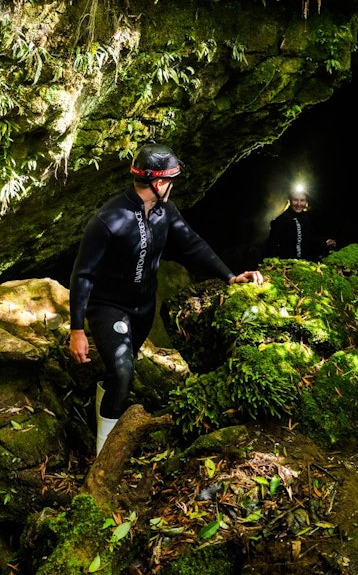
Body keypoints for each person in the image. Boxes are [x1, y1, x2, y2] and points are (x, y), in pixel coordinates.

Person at [68, 143, 263, 455]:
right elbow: (83, 274)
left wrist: (230, 276)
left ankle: (103, 402)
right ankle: (104, 453)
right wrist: (77, 330)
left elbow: (193, 244)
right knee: (123, 371)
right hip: (109, 307)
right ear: (159, 184)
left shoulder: (165, 212)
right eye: (171, 181)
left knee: (119, 373)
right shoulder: (108, 219)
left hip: (144, 308)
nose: (172, 187)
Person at [262, 184, 336, 261]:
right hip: (287, 266)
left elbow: (309, 239)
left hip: (305, 265)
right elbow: (271, 248)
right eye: (295, 200)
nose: (299, 204)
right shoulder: (279, 221)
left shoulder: (308, 218)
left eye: (302, 200)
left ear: (306, 202)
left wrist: (325, 241)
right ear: (290, 201)